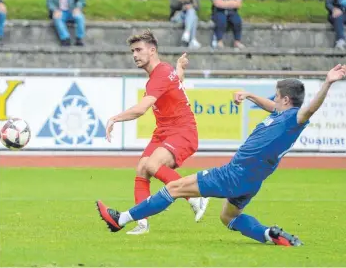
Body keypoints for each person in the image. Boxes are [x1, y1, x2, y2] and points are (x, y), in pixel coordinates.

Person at [96, 64, 346, 246]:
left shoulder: (296, 118)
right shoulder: (283, 115)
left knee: (174, 188)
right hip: (251, 182)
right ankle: (268, 234)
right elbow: (271, 107)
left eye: (277, 96)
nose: (274, 100)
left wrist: (327, 82)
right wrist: (249, 95)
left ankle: (122, 219)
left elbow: (310, 109)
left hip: (234, 173)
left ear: (286, 100)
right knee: (228, 217)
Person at [104, 30, 209, 235]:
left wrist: (115, 118)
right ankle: (141, 223)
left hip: (182, 131)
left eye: (138, 50)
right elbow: (176, 80)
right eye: (132, 51)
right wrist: (180, 68)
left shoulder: (159, 75)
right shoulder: (165, 71)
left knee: (153, 164)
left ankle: (195, 196)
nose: (134, 54)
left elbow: (141, 109)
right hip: (163, 131)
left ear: (152, 51)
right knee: (142, 168)